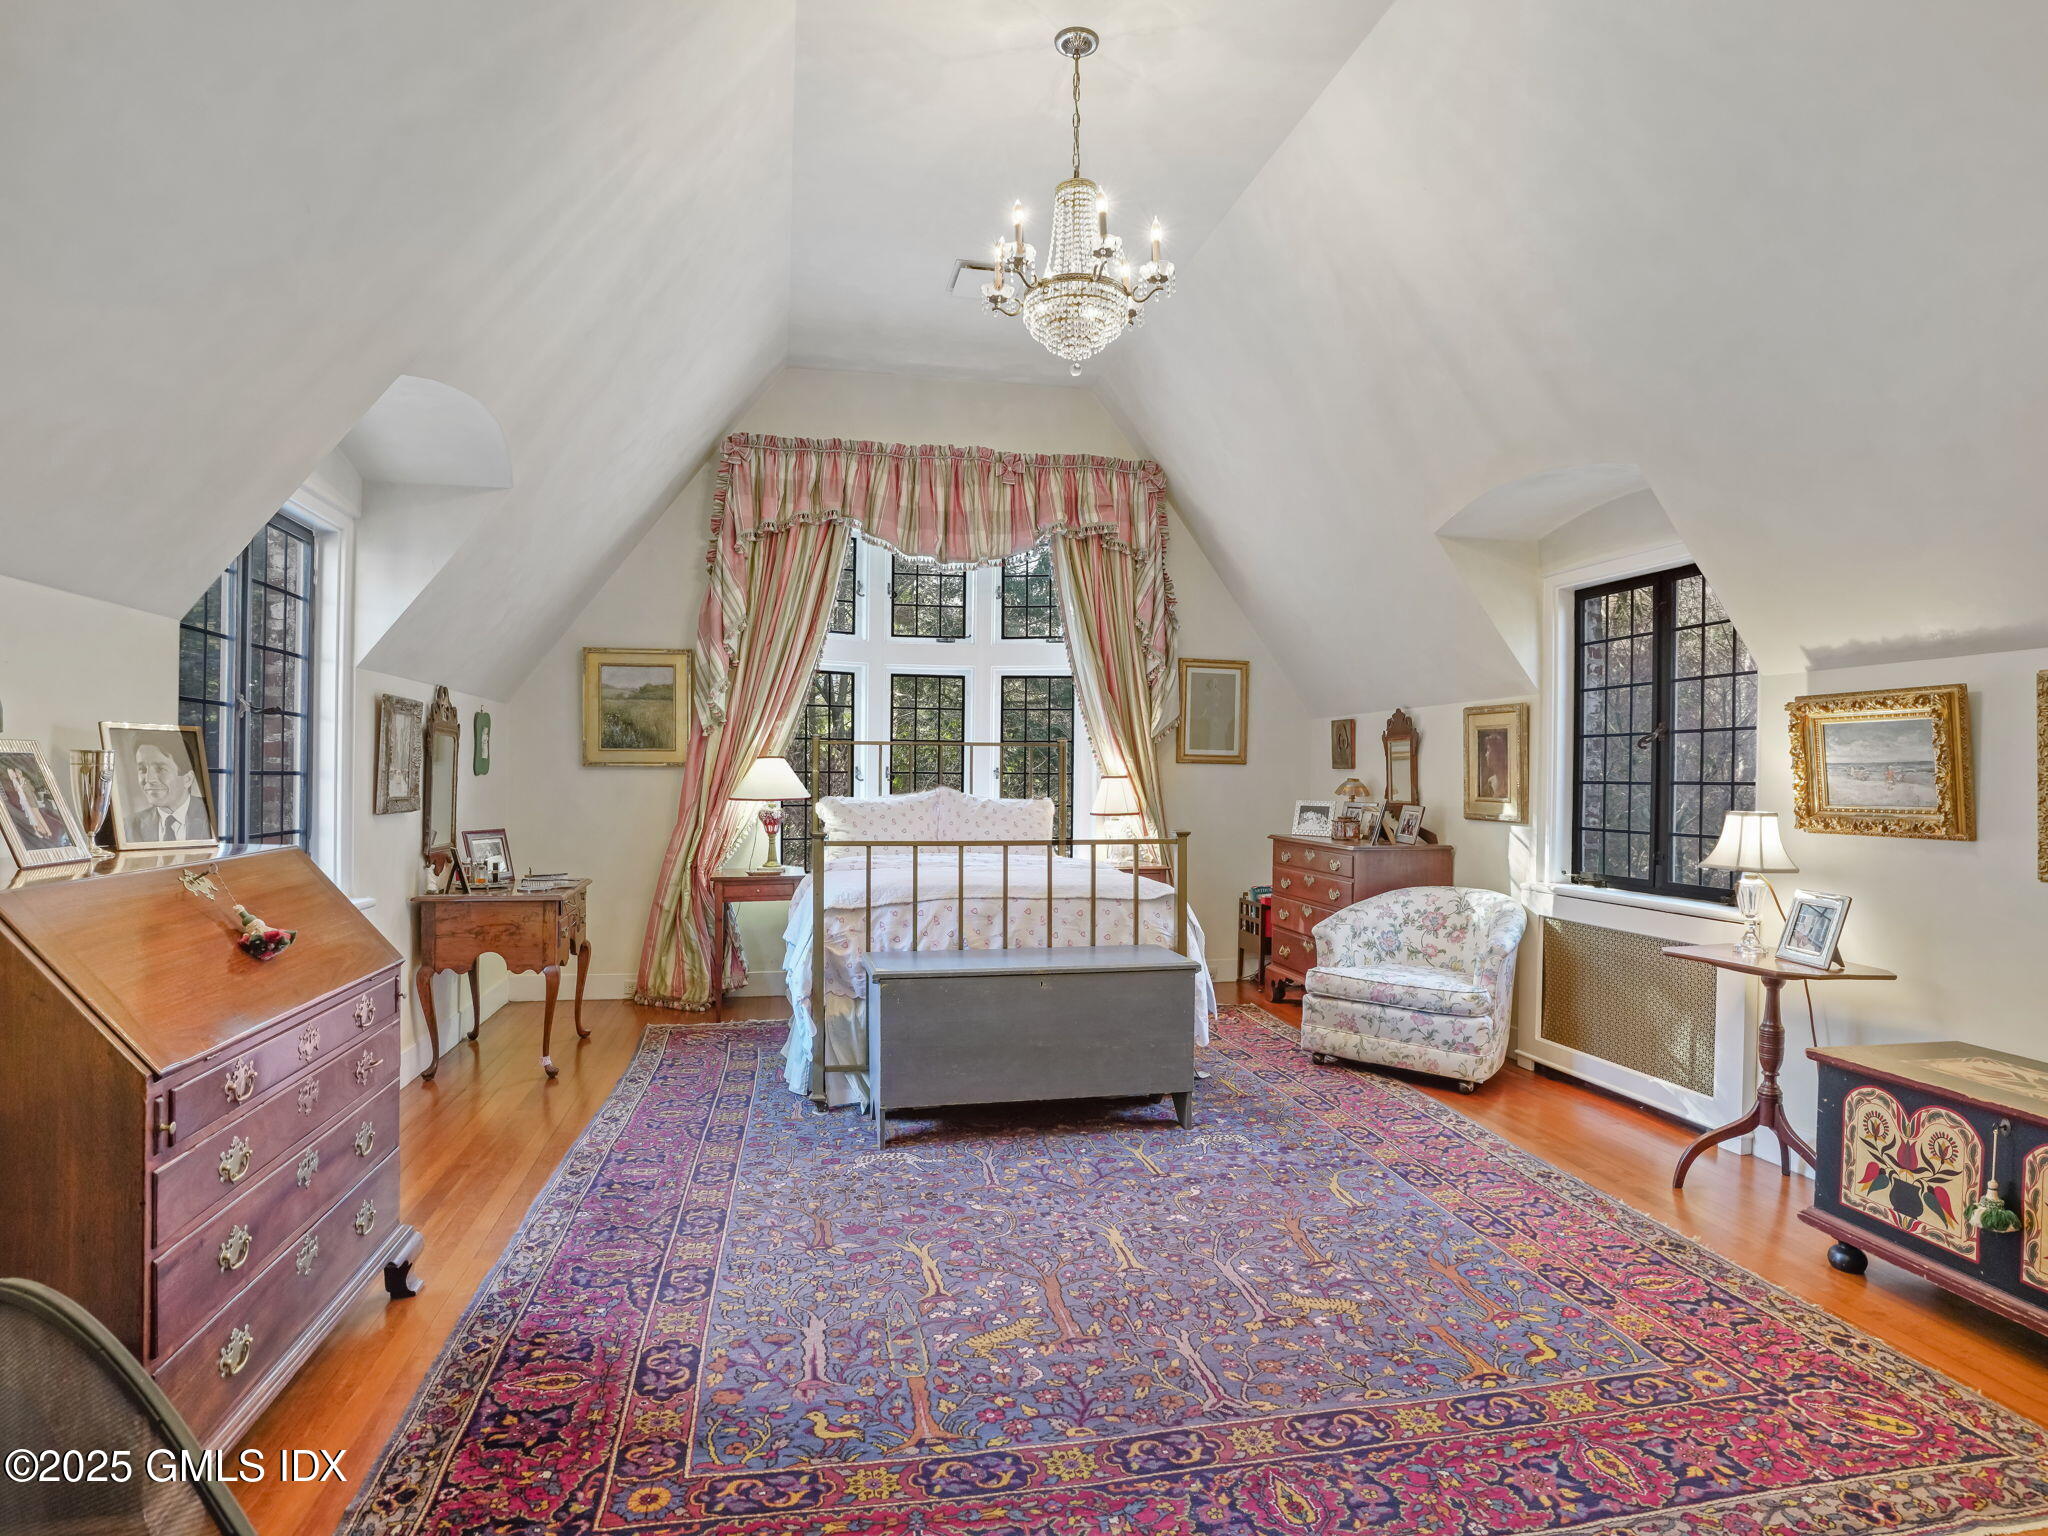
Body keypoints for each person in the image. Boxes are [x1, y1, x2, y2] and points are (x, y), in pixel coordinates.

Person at [126, 738, 210, 843]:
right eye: (143, 769)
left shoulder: (213, 817)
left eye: (160, 769)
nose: (148, 779)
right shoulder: (129, 826)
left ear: (187, 779)